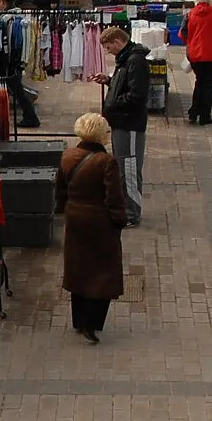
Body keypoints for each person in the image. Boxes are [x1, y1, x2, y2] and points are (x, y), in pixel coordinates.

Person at [55, 113, 128, 344]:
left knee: (79, 269)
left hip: (75, 221)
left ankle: (78, 320)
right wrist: (119, 221)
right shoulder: (106, 162)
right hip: (100, 224)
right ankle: (91, 322)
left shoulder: (68, 155)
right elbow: (114, 198)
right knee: (102, 273)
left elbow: (60, 191)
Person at [90, 27, 150, 227]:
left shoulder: (135, 61)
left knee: (129, 168)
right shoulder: (125, 60)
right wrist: (109, 81)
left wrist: (114, 103)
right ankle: (125, 207)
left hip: (129, 124)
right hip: (120, 122)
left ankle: (132, 214)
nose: (108, 52)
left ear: (118, 42)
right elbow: (124, 85)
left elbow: (137, 95)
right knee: (122, 167)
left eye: (109, 48)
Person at [0, 0, 41, 128]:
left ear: (2, 2)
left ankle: (31, 117)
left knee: (18, 90)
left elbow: (12, 42)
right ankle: (30, 116)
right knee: (17, 89)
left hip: (11, 61)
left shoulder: (8, 20)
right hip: (16, 60)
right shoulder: (18, 16)